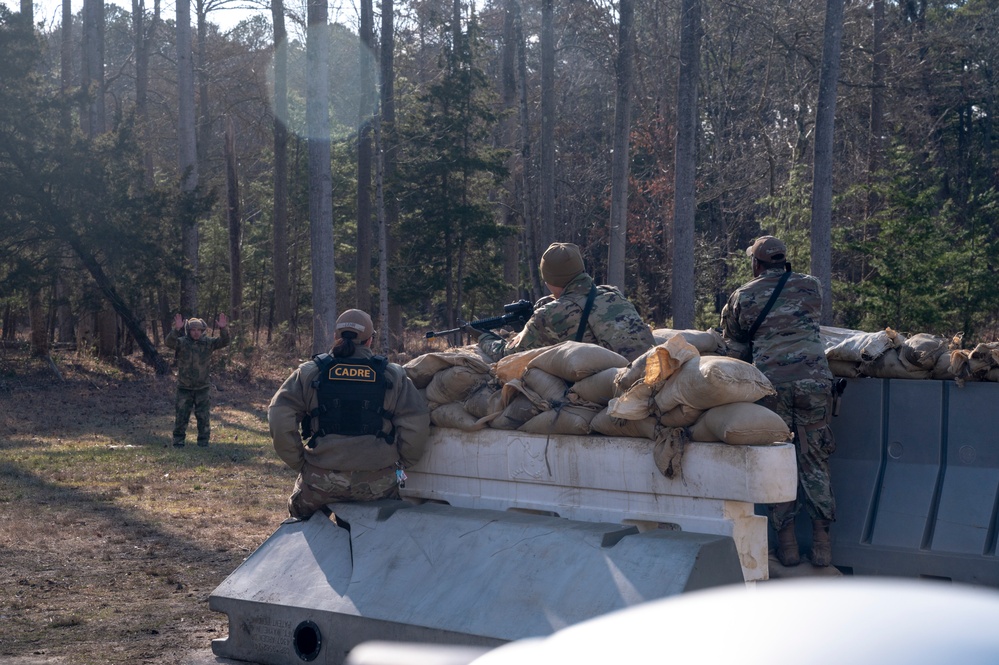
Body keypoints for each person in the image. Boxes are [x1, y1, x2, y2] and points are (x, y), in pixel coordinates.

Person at [720, 235, 836, 567]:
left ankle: (786, 547)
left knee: (779, 460)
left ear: (756, 263)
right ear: (783, 261)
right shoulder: (811, 286)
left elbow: (735, 345)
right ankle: (822, 545)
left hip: (772, 387)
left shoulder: (743, 295)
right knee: (815, 460)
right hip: (814, 382)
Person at [268, 309, 431, 520]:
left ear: (336, 336)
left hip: (320, 479)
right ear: (369, 340)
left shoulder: (309, 373)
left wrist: (300, 463)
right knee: (379, 529)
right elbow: (416, 423)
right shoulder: (393, 375)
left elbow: (279, 416)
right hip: (378, 482)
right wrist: (402, 463)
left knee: (302, 523)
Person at [468, 242, 655, 362]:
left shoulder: (551, 313)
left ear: (549, 280)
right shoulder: (611, 293)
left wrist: (484, 337)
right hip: (647, 369)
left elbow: (507, 356)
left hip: (612, 384)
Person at [165, 312, 230, 447]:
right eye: (193, 330)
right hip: (184, 387)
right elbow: (169, 342)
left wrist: (223, 329)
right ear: (188, 331)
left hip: (202, 388)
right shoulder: (182, 342)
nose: (196, 333)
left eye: (198, 330)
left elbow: (225, 341)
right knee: (181, 417)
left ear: (202, 331)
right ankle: (178, 442)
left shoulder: (208, 343)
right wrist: (176, 329)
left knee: (203, 417)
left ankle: (203, 442)